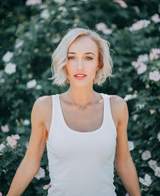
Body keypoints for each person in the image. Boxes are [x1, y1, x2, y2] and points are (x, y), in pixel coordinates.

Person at [6, 27, 141, 196]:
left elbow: (124, 164)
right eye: (72, 57)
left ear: (99, 63)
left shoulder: (116, 107)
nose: (79, 66)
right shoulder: (45, 107)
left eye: (88, 58)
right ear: (64, 62)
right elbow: (30, 164)